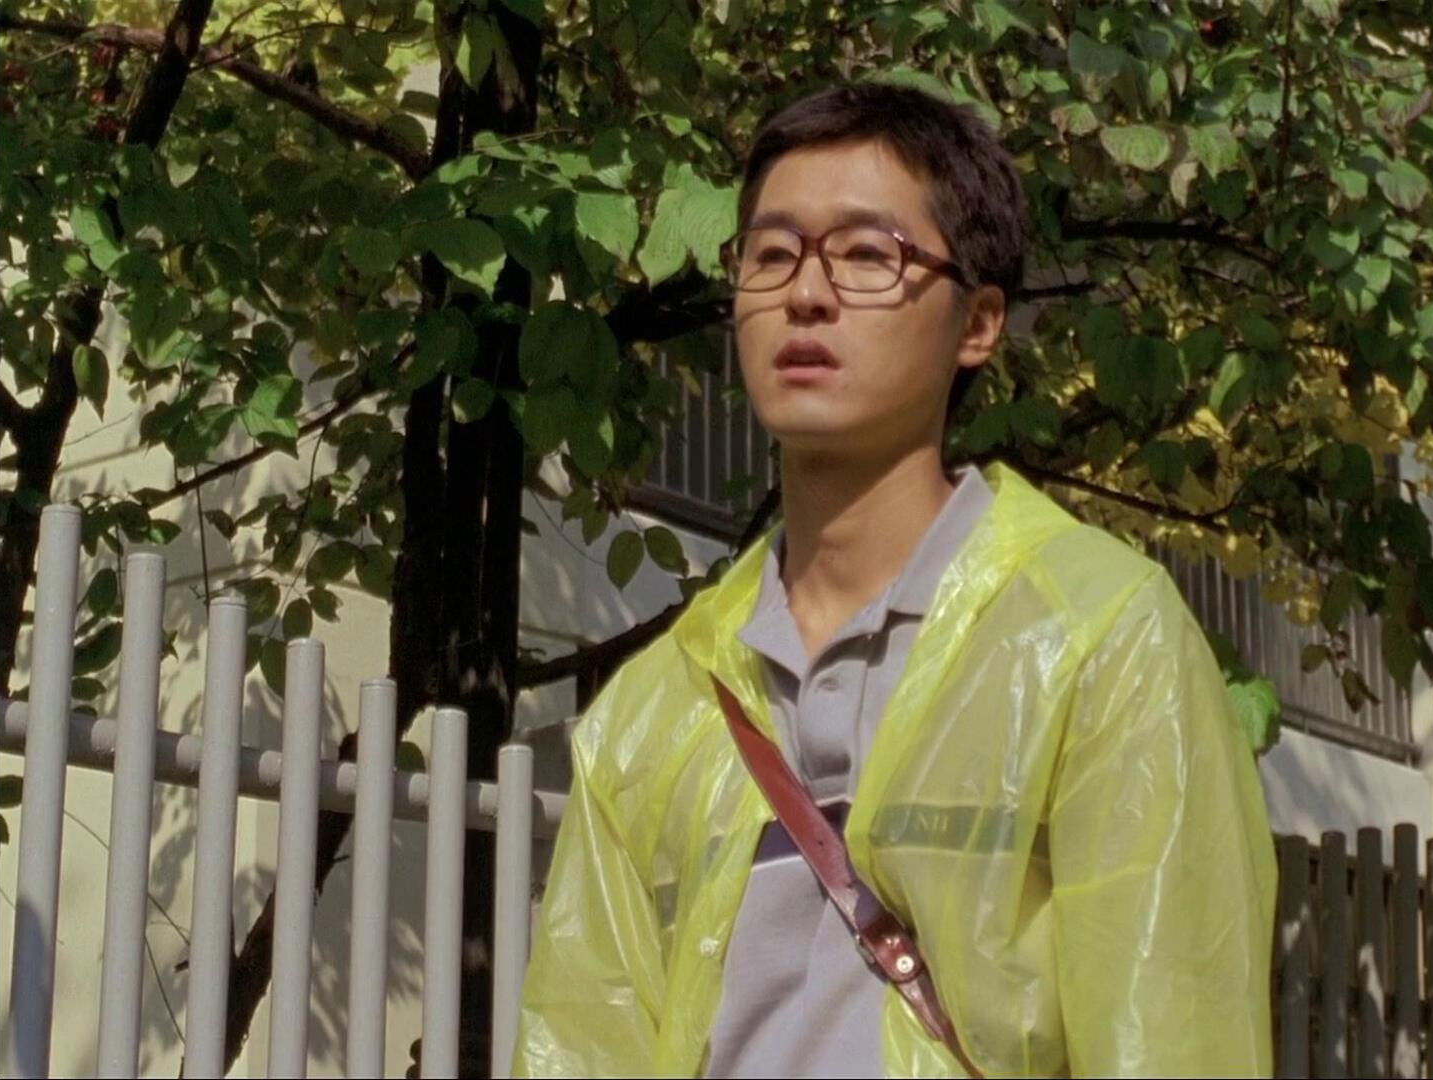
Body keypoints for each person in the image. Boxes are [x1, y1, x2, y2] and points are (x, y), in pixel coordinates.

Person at [513, 82, 1275, 1078]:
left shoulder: (1095, 635)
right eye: (771, 254)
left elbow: (1175, 1037)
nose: (806, 293)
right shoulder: (655, 708)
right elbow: (581, 1045)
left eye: (869, 255)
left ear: (979, 323)